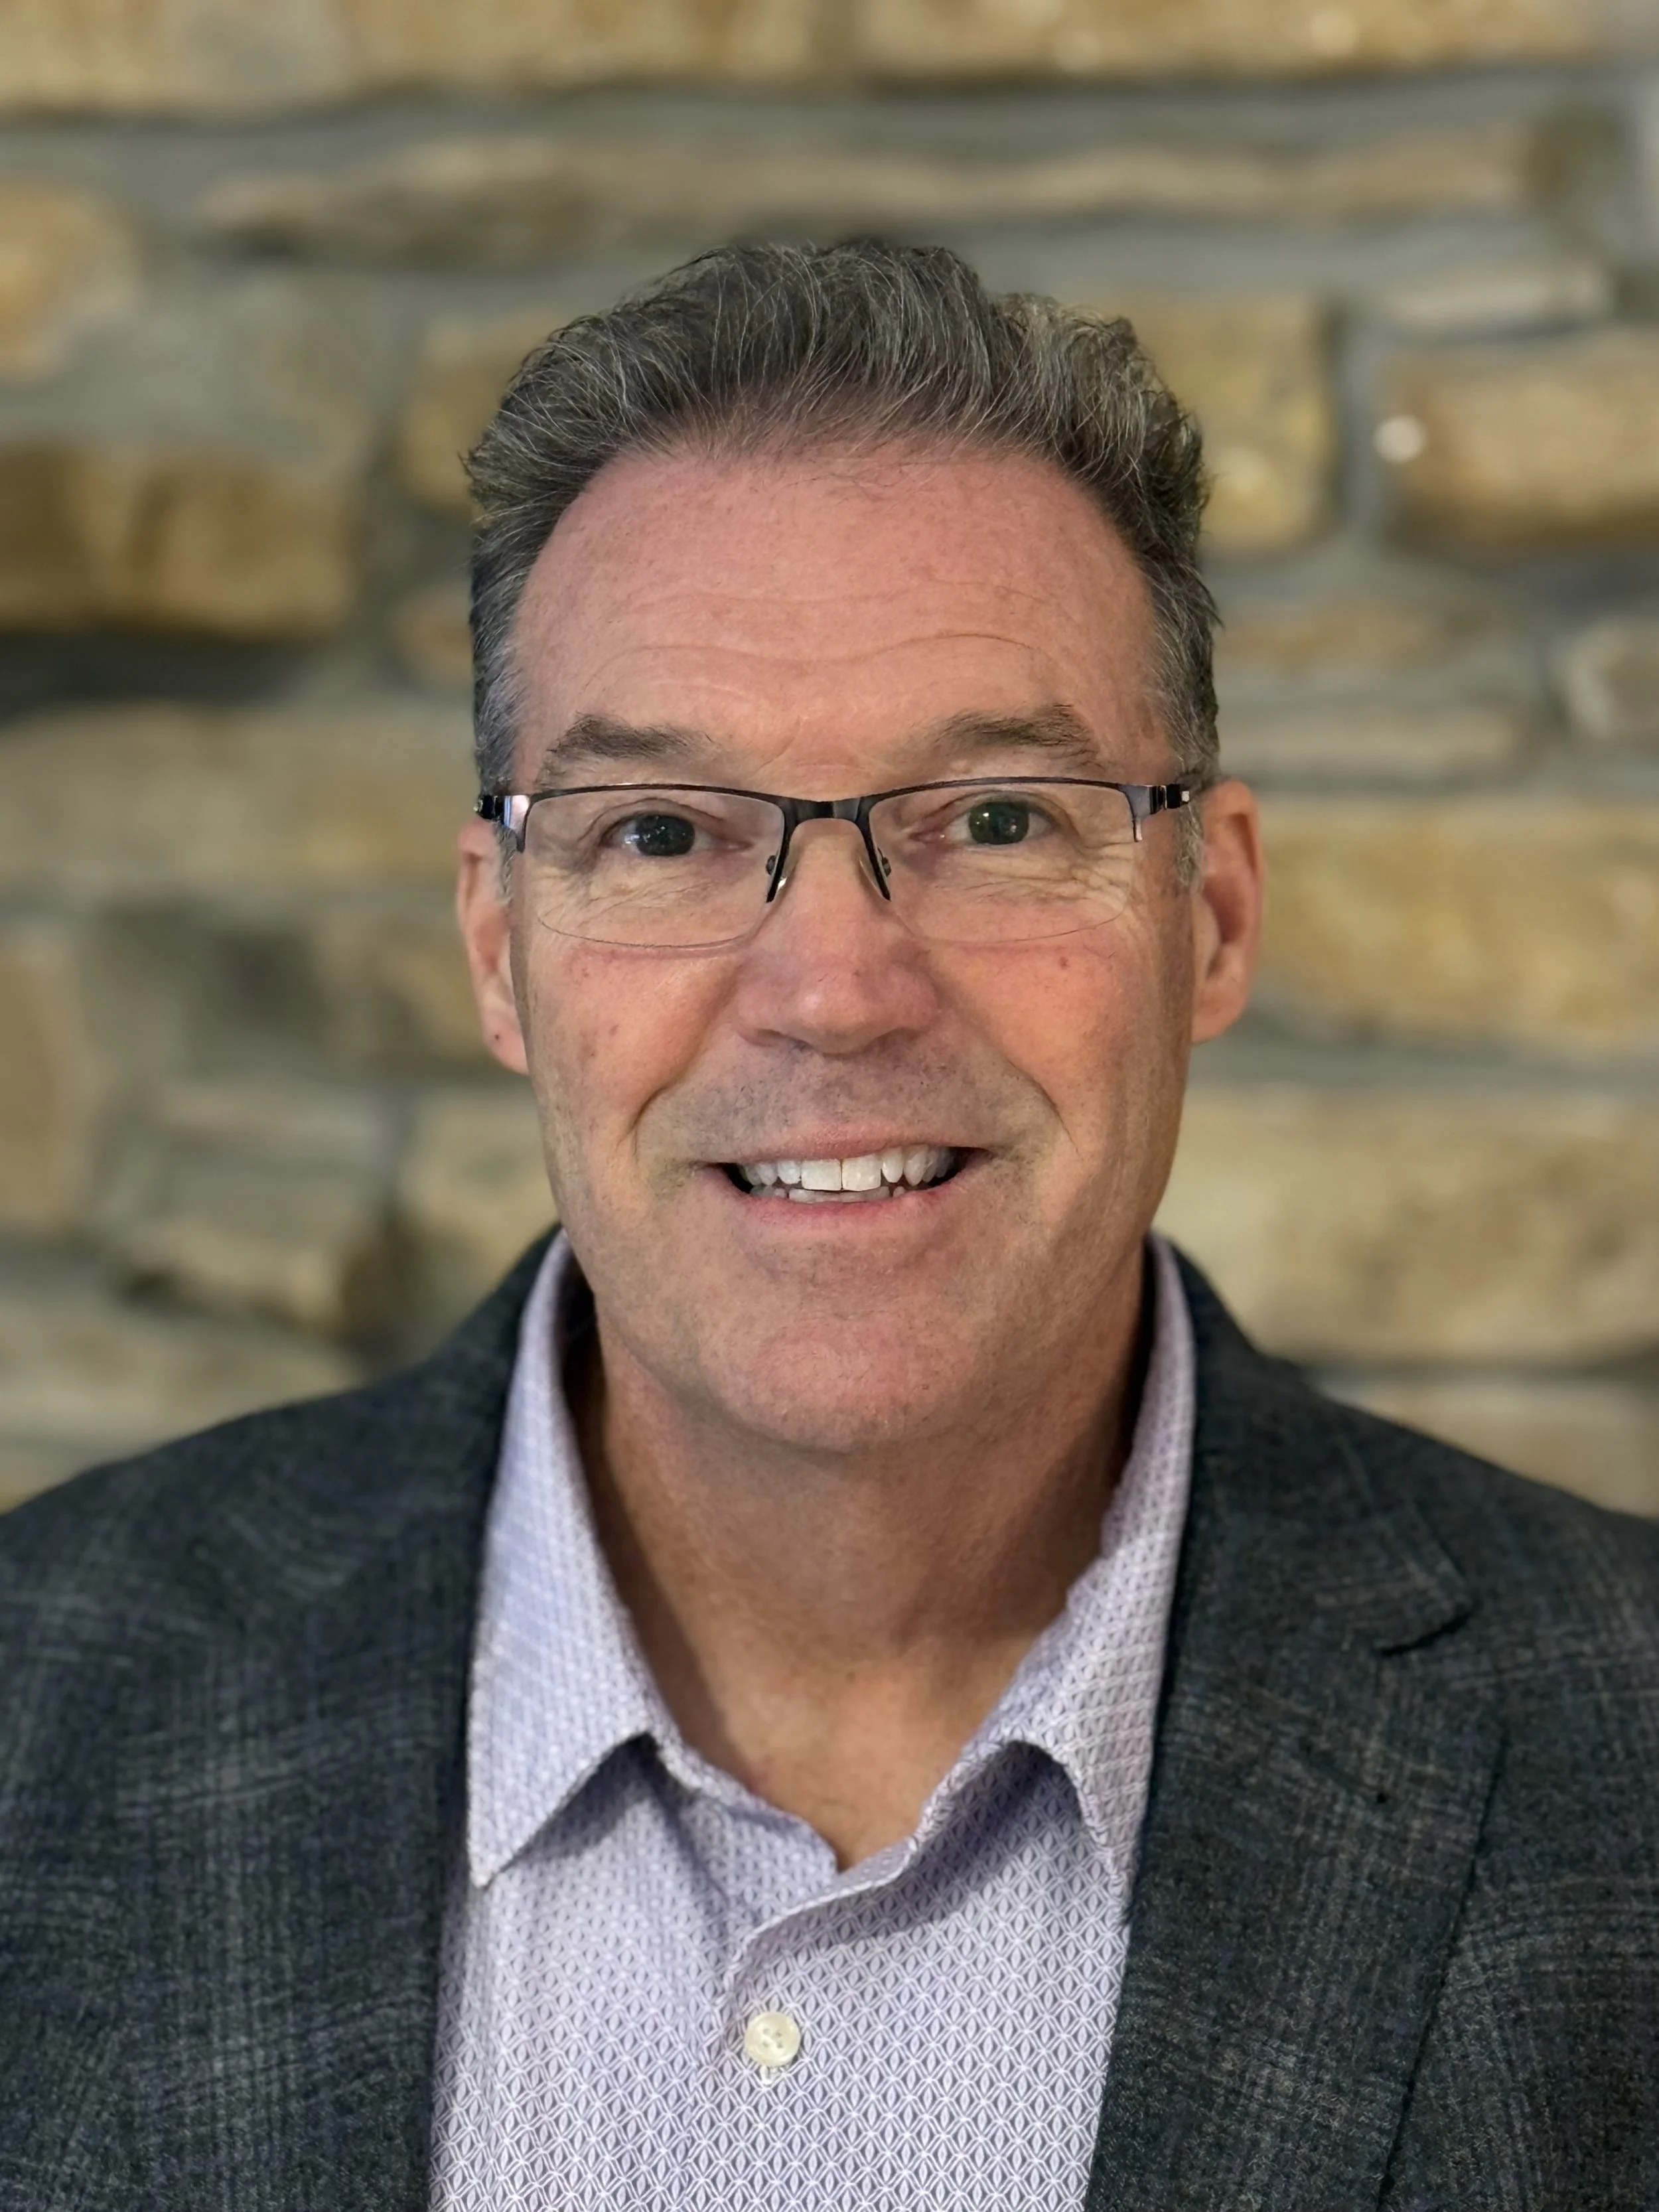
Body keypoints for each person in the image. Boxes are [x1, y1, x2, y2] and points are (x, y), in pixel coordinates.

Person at [1, 242, 1654, 2212]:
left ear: (1207, 913)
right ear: (500, 950)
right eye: (663, 833)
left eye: (998, 818)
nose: (835, 988)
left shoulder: (1617, 1756)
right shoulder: (42, 1707)